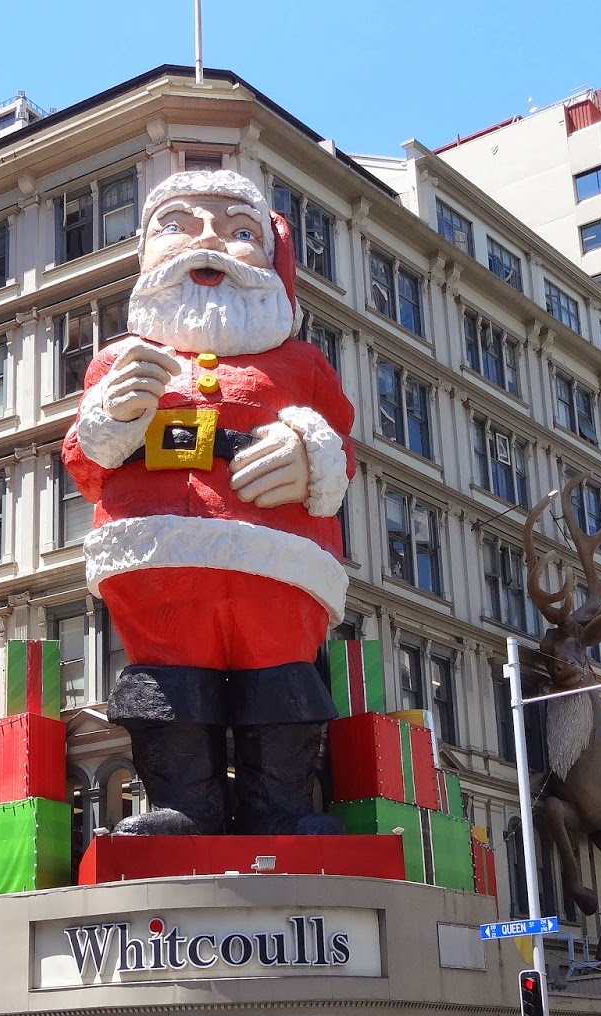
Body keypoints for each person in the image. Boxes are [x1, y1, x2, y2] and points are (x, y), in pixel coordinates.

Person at [61, 168, 356, 838]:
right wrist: (112, 418)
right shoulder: (117, 361)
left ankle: (281, 810)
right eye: (178, 225)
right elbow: (84, 461)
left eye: (238, 230)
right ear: (145, 253)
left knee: (281, 685)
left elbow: (341, 444)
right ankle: (183, 807)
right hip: (158, 566)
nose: (208, 241)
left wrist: (310, 453)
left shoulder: (303, 365)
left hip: (278, 570)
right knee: (169, 687)